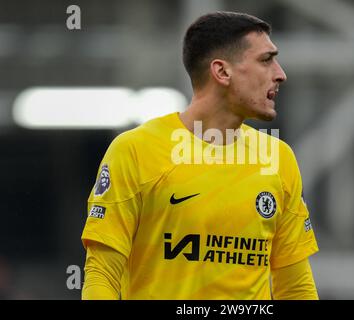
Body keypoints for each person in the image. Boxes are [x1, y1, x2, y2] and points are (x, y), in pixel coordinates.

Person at [81, 11, 319, 300]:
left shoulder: (278, 158)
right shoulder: (135, 151)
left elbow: (295, 286)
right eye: (266, 60)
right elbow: (102, 273)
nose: (280, 73)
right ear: (222, 72)